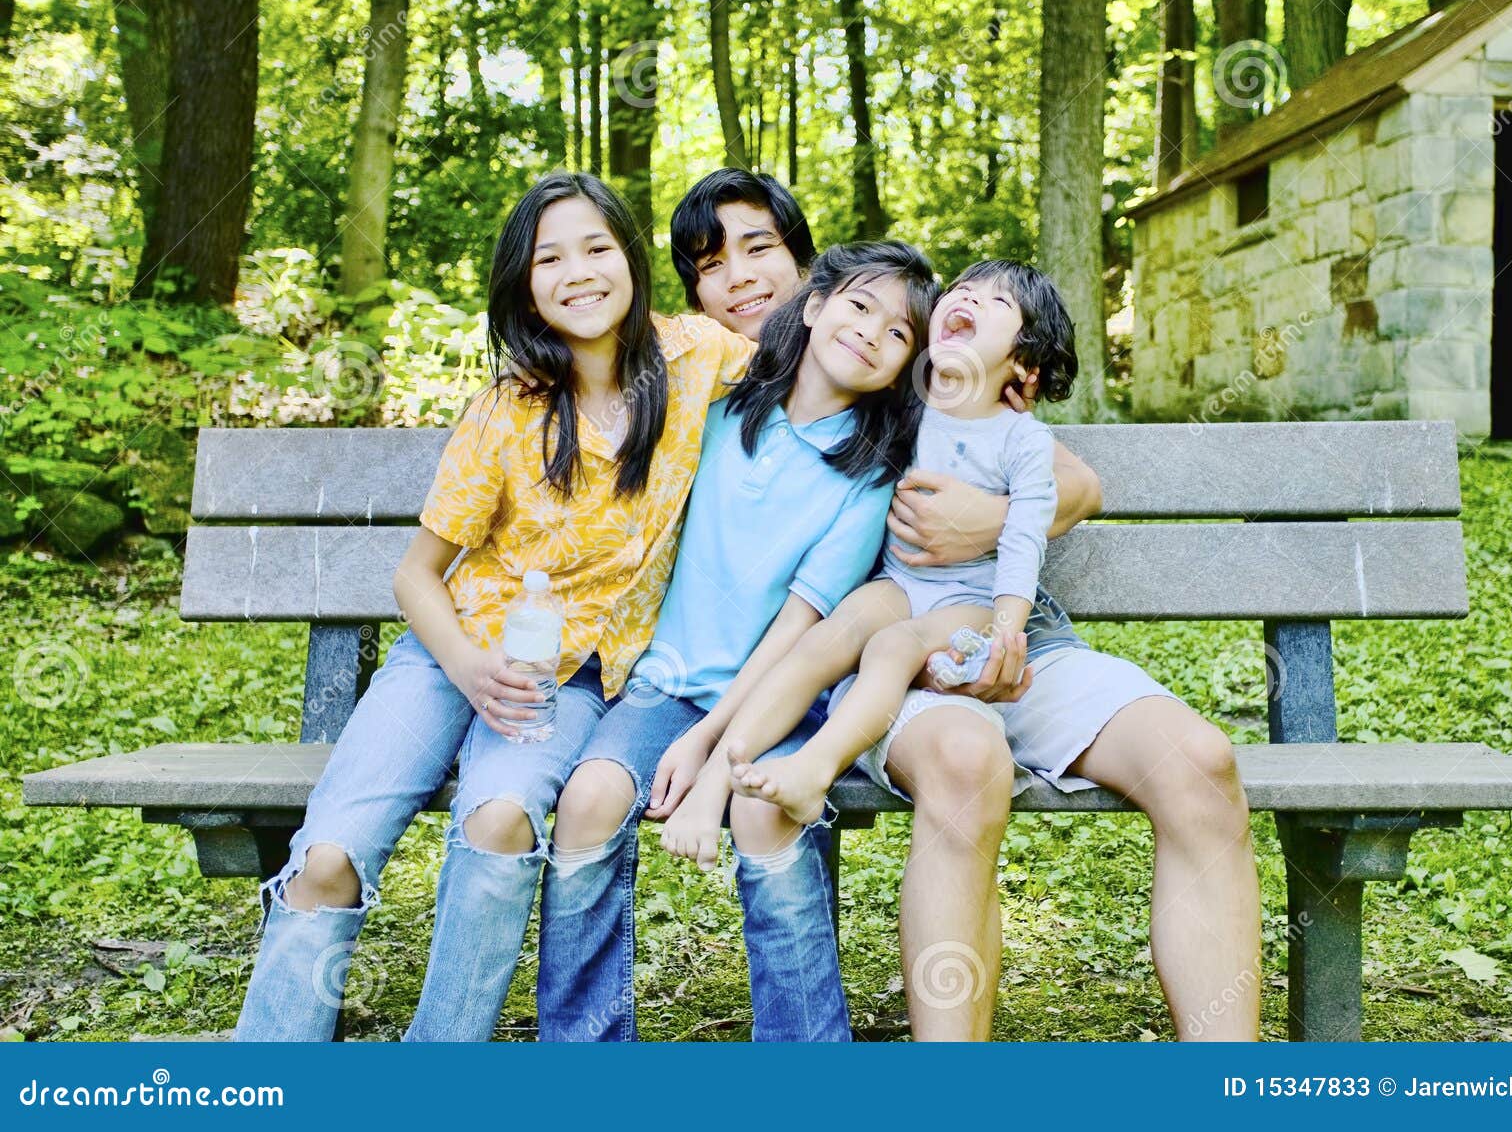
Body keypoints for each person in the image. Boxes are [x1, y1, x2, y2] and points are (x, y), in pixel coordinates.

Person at [668, 168, 1261, 1042]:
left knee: (1202, 764)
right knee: (960, 756)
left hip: (1021, 642)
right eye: (713, 268)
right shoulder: (742, 387)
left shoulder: (912, 369)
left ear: (812, 273)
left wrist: (992, 519)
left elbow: (1075, 481)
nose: (741, 281)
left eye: (762, 253)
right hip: (896, 660)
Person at [233, 171, 754, 1041]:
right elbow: (416, 576)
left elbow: (831, 368)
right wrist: (469, 669)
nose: (578, 272)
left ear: (630, 258)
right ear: (524, 284)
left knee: (501, 822)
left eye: (597, 248)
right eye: (550, 258)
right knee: (327, 860)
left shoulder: (700, 358)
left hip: (572, 681)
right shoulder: (509, 408)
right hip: (450, 659)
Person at [537, 241, 937, 1040]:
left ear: (904, 370)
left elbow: (800, 632)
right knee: (587, 800)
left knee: (763, 816)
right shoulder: (716, 411)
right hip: (661, 686)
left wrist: (717, 753)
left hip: (783, 697)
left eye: (899, 334)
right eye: (859, 305)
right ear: (815, 302)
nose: (870, 333)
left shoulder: (867, 478)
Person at [723, 260, 1075, 826]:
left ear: (1024, 364)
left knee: (891, 647)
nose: (972, 301)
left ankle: (815, 770)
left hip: (973, 600)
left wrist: (1008, 628)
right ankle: (728, 767)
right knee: (824, 639)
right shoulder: (906, 404)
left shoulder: (1023, 440)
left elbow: (1025, 537)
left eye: (999, 304)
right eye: (965, 290)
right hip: (901, 583)